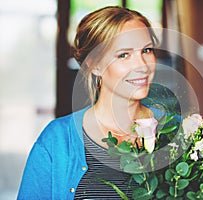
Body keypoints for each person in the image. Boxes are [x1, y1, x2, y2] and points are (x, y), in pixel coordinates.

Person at [17, 6, 162, 199]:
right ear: (94, 66)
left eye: (147, 50)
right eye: (123, 55)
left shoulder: (180, 131)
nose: (142, 65)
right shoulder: (57, 140)